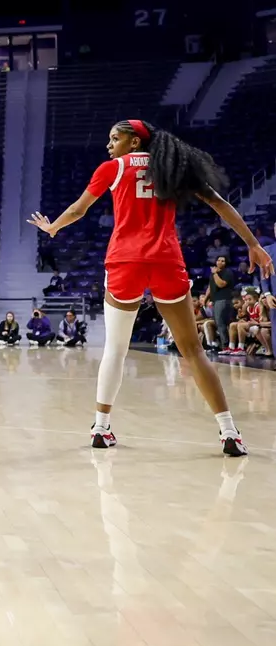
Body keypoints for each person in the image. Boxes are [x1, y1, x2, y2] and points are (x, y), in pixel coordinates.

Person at [30, 118, 272, 454]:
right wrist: (253, 244)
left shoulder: (112, 168)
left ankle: (101, 427)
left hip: (124, 262)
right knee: (193, 351)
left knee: (115, 349)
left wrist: (54, 227)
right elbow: (220, 204)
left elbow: (78, 209)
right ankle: (229, 431)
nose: (109, 145)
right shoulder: (172, 169)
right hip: (165, 261)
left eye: (115, 138)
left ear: (134, 142)